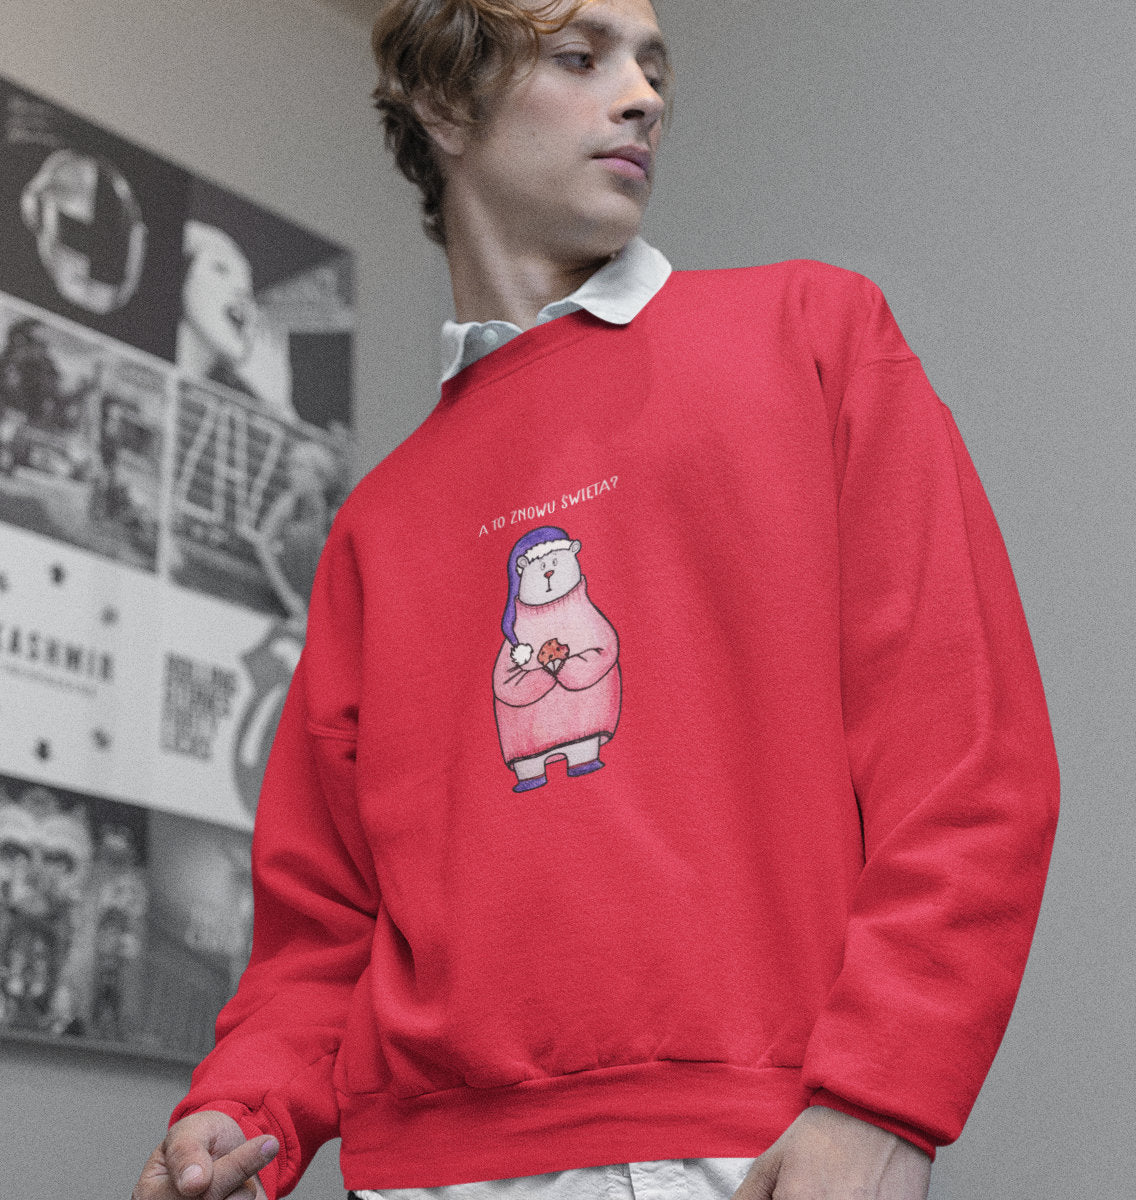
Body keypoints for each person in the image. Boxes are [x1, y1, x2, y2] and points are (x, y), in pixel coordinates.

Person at [133, 2, 1059, 1199]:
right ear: (443, 101)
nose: (642, 97)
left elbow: (968, 760)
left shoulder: (814, 334)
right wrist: (237, 1107)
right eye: (582, 57)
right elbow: (322, 927)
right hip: (425, 1171)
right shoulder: (377, 523)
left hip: (751, 1152)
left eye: (653, 67)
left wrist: (879, 1101)